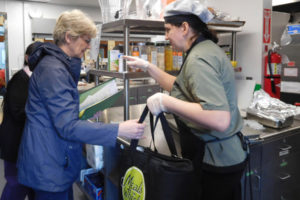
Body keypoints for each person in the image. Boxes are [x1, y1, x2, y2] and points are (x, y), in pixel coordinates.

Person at [124, 1, 247, 200]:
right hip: (221, 156)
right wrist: (148, 67)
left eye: (167, 30)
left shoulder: (199, 59)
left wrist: (167, 103)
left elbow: (219, 119)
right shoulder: (204, 49)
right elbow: (182, 87)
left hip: (215, 160)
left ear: (184, 27)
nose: (166, 37)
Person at [17, 9, 145, 200]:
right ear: (69, 37)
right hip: (49, 166)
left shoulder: (58, 66)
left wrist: (82, 112)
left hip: (54, 160)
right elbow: (67, 126)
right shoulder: (53, 70)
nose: (88, 46)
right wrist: (118, 130)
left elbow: (58, 113)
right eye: (86, 40)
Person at [0, 42, 38, 200]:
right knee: (16, 185)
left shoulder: (34, 79)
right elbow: (19, 112)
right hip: (14, 144)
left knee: (31, 186)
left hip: (26, 145)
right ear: (27, 58)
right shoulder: (20, 79)